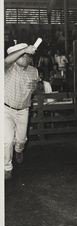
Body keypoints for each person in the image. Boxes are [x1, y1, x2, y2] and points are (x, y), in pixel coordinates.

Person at [4, 43, 38, 180]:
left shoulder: (33, 71)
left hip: (24, 110)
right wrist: (25, 49)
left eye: (27, 55)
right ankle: (7, 167)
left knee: (21, 139)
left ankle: (19, 150)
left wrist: (35, 86)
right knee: (6, 141)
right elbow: (6, 60)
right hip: (6, 109)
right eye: (21, 55)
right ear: (15, 56)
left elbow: (36, 86)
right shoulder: (8, 68)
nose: (25, 57)